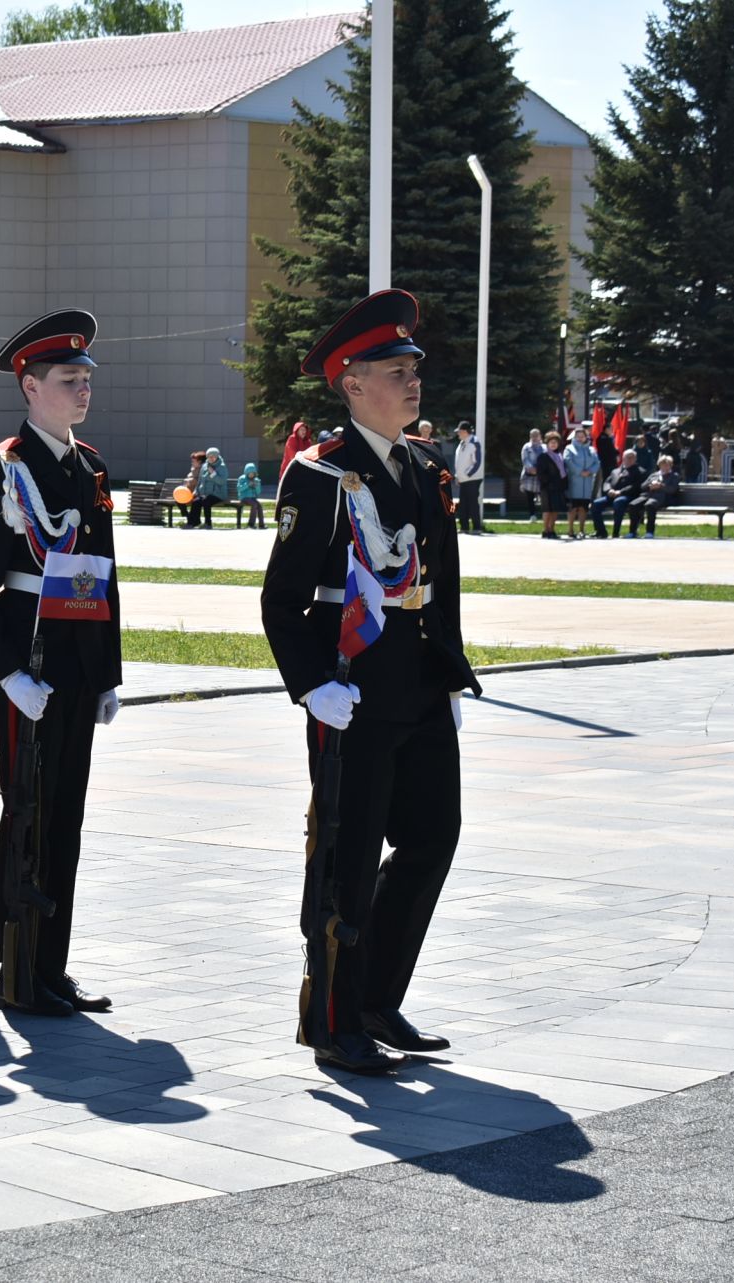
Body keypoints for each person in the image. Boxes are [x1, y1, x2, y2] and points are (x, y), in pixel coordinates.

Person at [259, 288, 478, 1075]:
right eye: (394, 368)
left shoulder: (423, 466)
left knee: (431, 837)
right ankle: (333, 1019)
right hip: (350, 691)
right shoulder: (321, 474)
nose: (413, 379)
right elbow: (282, 600)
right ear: (352, 383)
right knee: (345, 858)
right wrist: (312, 684)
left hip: (418, 686)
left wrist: (449, 677)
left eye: (414, 365)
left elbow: (440, 580)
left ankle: (378, 995)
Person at [0, 310, 120, 1016]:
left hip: (80, 660)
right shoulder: (1, 471)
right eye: (67, 379)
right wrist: (4, 672)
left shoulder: (90, 467)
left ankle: (52, 965)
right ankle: (17, 966)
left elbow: (105, 572)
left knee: (67, 817)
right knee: (27, 810)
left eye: (85, 378)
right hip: (30, 661)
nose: (81, 390)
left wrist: (110, 670)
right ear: (30, 386)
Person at [624, 453, 680, 538]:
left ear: (671, 465)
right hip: (647, 496)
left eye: (667, 465)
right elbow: (642, 486)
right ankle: (633, 531)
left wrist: (660, 486)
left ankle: (649, 532)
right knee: (633, 505)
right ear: (659, 465)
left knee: (650, 505)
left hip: (662, 497)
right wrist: (650, 486)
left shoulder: (674, 476)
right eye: (662, 465)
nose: (665, 467)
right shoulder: (654, 475)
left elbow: (672, 489)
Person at [590, 453, 645, 538]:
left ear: (635, 459)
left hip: (628, 496)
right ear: (623, 458)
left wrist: (620, 492)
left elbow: (636, 486)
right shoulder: (615, 471)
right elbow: (607, 482)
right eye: (627, 457)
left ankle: (616, 532)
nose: (630, 459)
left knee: (618, 502)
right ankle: (601, 531)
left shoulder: (640, 471)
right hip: (612, 495)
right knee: (595, 504)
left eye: (632, 457)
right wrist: (609, 490)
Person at [563, 424, 599, 538]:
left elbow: (597, 463)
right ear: (574, 437)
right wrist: (580, 472)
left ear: (586, 437)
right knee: (573, 507)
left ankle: (581, 530)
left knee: (584, 508)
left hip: (587, 483)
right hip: (575, 482)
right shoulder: (569, 448)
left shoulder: (591, 449)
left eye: (582, 436)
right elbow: (568, 461)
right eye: (577, 436)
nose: (580, 438)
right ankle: (570, 530)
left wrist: (590, 471)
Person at [452, 421, 485, 534]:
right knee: (463, 504)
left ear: (465, 431)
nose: (458, 434)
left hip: (472, 479)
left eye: (460, 431)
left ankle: (476, 527)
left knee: (472, 504)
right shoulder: (462, 443)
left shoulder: (474, 442)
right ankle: (464, 527)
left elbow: (477, 462)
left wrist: (467, 474)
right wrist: (458, 476)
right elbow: (460, 461)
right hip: (463, 480)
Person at [535, 429, 568, 539]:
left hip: (558, 487)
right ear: (547, 443)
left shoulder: (559, 456)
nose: (553, 444)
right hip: (547, 487)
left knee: (555, 510)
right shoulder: (543, 456)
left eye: (555, 442)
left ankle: (552, 529)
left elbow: (563, 472)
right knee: (547, 510)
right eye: (551, 442)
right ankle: (545, 530)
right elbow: (540, 473)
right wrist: (548, 482)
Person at [518, 427, 545, 514]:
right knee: (530, 496)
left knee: (543, 495)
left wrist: (539, 469)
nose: (535, 437)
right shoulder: (526, 447)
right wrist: (530, 468)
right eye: (533, 436)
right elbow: (524, 459)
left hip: (541, 475)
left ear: (540, 436)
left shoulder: (544, 447)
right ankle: (532, 515)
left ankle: (544, 514)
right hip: (529, 474)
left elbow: (546, 460)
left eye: (536, 435)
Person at [235, 461, 265, 528]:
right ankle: (251, 524)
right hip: (244, 497)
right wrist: (248, 485)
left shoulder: (256, 480)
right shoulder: (242, 478)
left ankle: (261, 524)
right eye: (250, 473)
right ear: (246, 473)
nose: (251, 475)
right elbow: (239, 489)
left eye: (253, 473)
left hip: (253, 498)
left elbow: (258, 492)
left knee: (259, 505)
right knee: (254, 505)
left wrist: (257, 486)